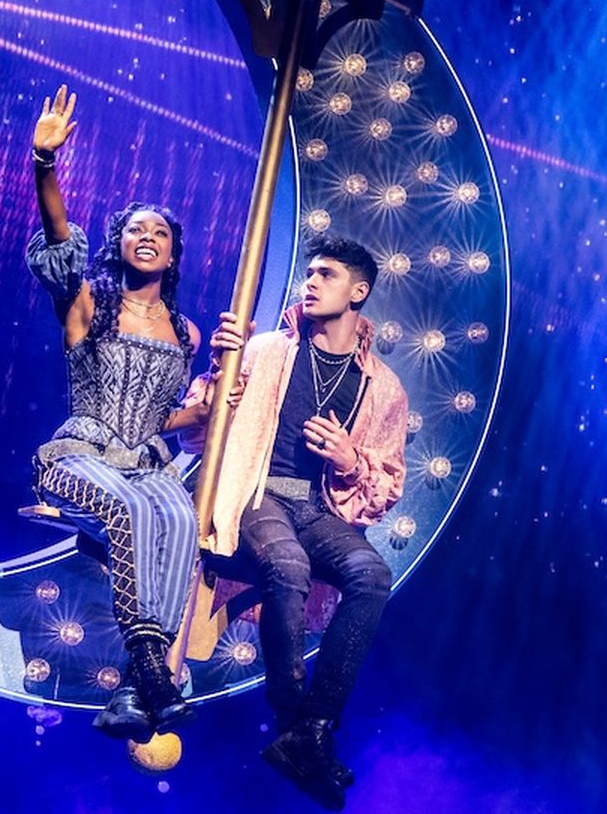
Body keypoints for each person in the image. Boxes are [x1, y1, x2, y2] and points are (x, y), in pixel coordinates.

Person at [24, 84, 237, 745]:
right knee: (135, 508)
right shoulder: (89, 303)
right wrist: (45, 165)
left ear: (173, 253)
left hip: (145, 463)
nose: (148, 237)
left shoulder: (188, 332)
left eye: (161, 232)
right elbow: (59, 234)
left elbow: (159, 420)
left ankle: (132, 690)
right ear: (119, 245)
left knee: (177, 515)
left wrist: (202, 408)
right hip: (79, 458)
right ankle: (152, 674)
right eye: (136, 229)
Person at [187, 236, 408, 810]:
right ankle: (293, 721)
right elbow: (200, 429)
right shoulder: (265, 351)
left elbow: (384, 485)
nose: (310, 283)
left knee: (372, 574)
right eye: (308, 273)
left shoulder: (383, 387)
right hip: (259, 495)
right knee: (285, 565)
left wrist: (349, 459)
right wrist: (219, 373)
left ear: (358, 291)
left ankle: (314, 728)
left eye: (327, 275)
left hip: (319, 508)